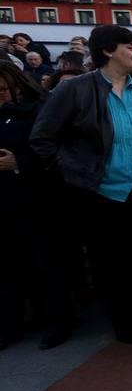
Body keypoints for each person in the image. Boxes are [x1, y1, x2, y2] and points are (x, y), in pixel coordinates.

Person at [29, 25, 132, 344]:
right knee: (112, 265)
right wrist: (76, 173)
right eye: (130, 46)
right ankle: (127, 327)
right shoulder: (75, 90)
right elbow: (42, 139)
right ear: (108, 51)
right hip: (102, 194)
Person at [0, 64, 70, 350]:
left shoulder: (37, 111)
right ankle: (11, 325)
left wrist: (19, 163)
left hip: (35, 199)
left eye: (3, 90)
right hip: (3, 202)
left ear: (17, 85)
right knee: (6, 267)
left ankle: (57, 322)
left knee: (44, 263)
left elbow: (50, 150)